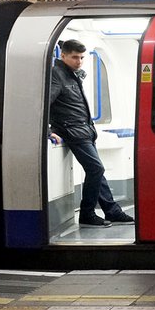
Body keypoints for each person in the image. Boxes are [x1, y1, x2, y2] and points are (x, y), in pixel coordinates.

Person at [48, 39, 134, 227]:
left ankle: (112, 211)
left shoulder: (72, 75)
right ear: (63, 56)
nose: (79, 61)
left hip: (84, 130)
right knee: (96, 169)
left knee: (97, 172)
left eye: (81, 58)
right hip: (71, 130)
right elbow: (45, 104)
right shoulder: (57, 75)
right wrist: (47, 131)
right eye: (74, 57)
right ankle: (87, 214)